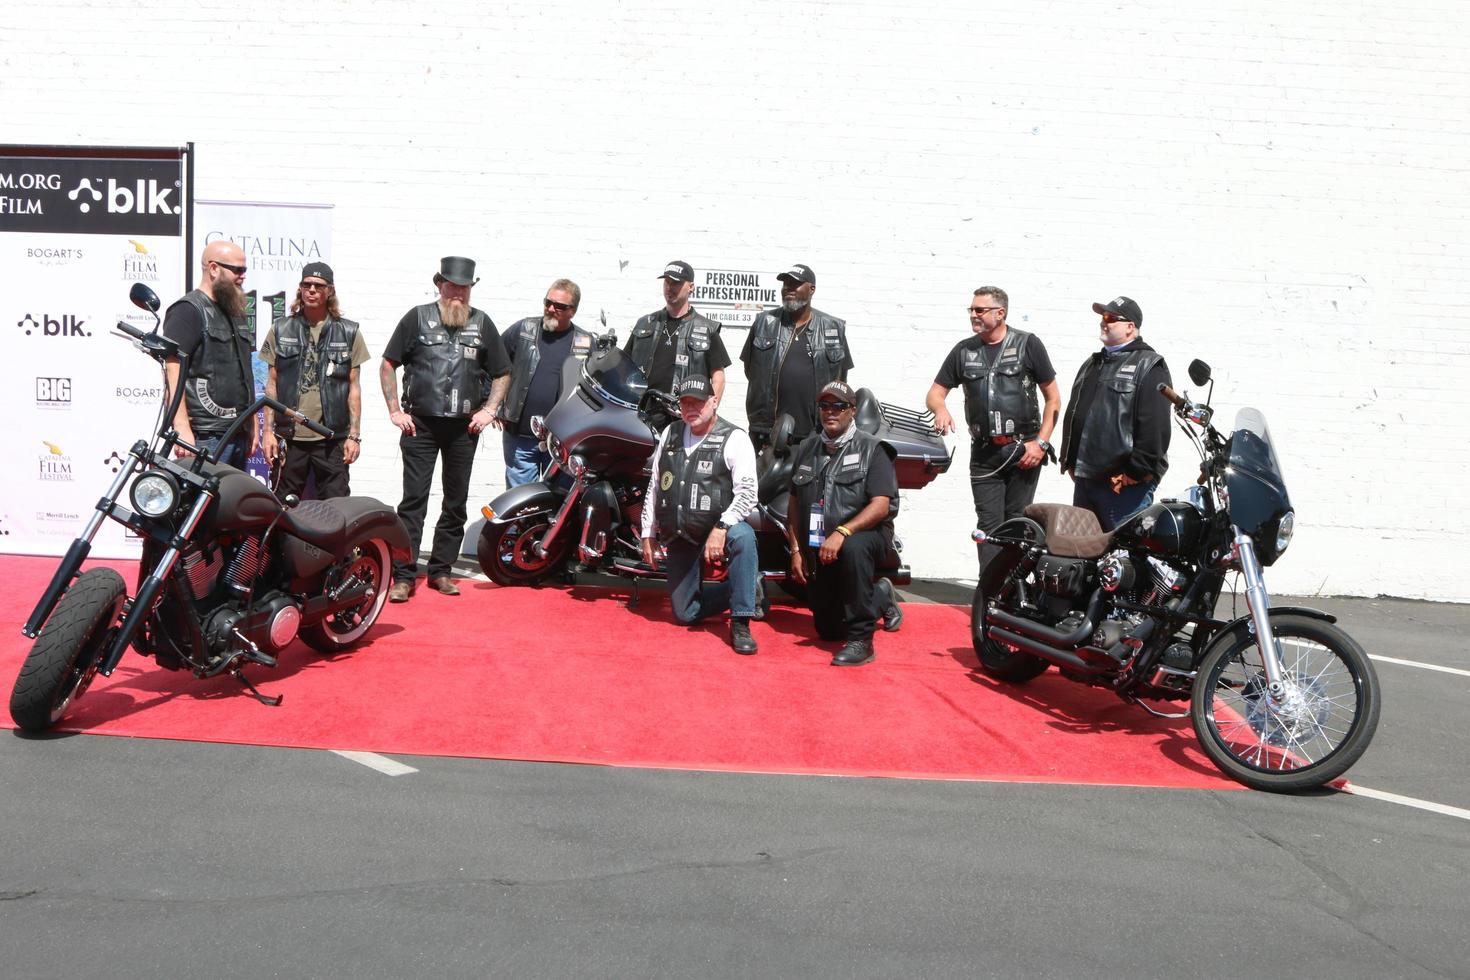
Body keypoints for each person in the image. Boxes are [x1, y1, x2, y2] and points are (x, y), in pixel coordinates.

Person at [380, 256, 511, 601]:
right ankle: (404, 575)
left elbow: (502, 372)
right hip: (419, 426)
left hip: (462, 430)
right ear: (440, 284)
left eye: (464, 287)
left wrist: (489, 410)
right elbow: (388, 363)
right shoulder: (416, 318)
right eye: (452, 285)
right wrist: (395, 411)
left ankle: (441, 571)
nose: (458, 293)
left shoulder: (482, 324)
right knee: (414, 502)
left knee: (455, 502)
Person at [639, 375, 762, 654]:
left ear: (714, 401)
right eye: (685, 402)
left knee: (744, 537)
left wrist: (722, 526)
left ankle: (742, 620)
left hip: (721, 525)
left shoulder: (734, 438)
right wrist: (648, 532)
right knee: (685, 613)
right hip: (682, 529)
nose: (691, 408)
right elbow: (656, 484)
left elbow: (748, 494)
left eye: (698, 402)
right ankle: (748, 588)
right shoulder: (670, 433)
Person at [785, 381, 904, 667]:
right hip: (819, 541)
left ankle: (862, 640)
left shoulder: (873, 449)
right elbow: (793, 501)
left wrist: (843, 531)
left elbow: (881, 505)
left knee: (853, 548)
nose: (830, 412)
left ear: (851, 410)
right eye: (825, 406)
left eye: (838, 406)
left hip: (866, 534)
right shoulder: (807, 448)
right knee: (827, 629)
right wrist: (797, 550)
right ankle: (881, 595)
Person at [927, 286, 1060, 533]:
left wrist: (1040, 444)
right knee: (988, 528)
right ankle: (989, 574)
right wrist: (940, 409)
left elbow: (1053, 399)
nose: (973, 314)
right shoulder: (964, 351)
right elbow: (935, 393)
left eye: (980, 309)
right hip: (984, 453)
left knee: (1016, 523)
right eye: (971, 309)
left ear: (1000, 313)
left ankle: (1015, 574)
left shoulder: (1028, 344)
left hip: (1023, 450)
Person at [1058, 295, 1172, 531]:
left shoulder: (1149, 365)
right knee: (1082, 554)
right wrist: (1069, 460)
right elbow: (1077, 412)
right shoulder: (1093, 363)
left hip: (1122, 486)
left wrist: (1136, 471)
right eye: (1102, 317)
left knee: (1124, 557)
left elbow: (1155, 426)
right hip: (1086, 480)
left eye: (1111, 318)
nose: (1104, 322)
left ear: (1130, 327)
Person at [259, 262, 370, 499]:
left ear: (330, 291)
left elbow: (354, 388)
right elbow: (271, 384)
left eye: (318, 286)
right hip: (290, 437)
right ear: (300, 289)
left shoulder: (349, 332)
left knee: (336, 507)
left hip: (331, 438)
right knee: (281, 506)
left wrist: (354, 435)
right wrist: (268, 431)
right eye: (306, 285)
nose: (311, 290)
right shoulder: (280, 329)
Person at [161, 240, 258, 467]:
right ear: (213, 268)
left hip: (237, 431)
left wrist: (251, 422)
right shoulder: (187, 310)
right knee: (201, 502)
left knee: (232, 502)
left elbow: (245, 371)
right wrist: (182, 427)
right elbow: (172, 371)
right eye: (237, 270)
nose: (242, 276)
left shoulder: (235, 311)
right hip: (205, 435)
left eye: (244, 270)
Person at [740, 263, 854, 452]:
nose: (789, 289)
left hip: (816, 434)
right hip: (767, 433)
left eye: (796, 284)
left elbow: (841, 378)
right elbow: (751, 370)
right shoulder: (764, 323)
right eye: (786, 284)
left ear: (812, 289)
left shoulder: (832, 328)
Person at [493, 278, 595, 487]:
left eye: (559, 306)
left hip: (562, 439)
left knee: (559, 502)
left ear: (572, 311)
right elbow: (492, 363)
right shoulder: (523, 330)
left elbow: (597, 388)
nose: (550, 309)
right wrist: (493, 405)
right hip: (520, 436)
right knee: (519, 500)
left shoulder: (586, 342)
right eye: (547, 302)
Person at [623, 260, 731, 398]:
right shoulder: (645, 323)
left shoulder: (707, 329)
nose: (669, 287)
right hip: (640, 410)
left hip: (683, 413)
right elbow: (624, 366)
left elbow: (718, 378)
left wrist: (709, 409)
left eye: (676, 283)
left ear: (691, 287)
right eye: (666, 282)